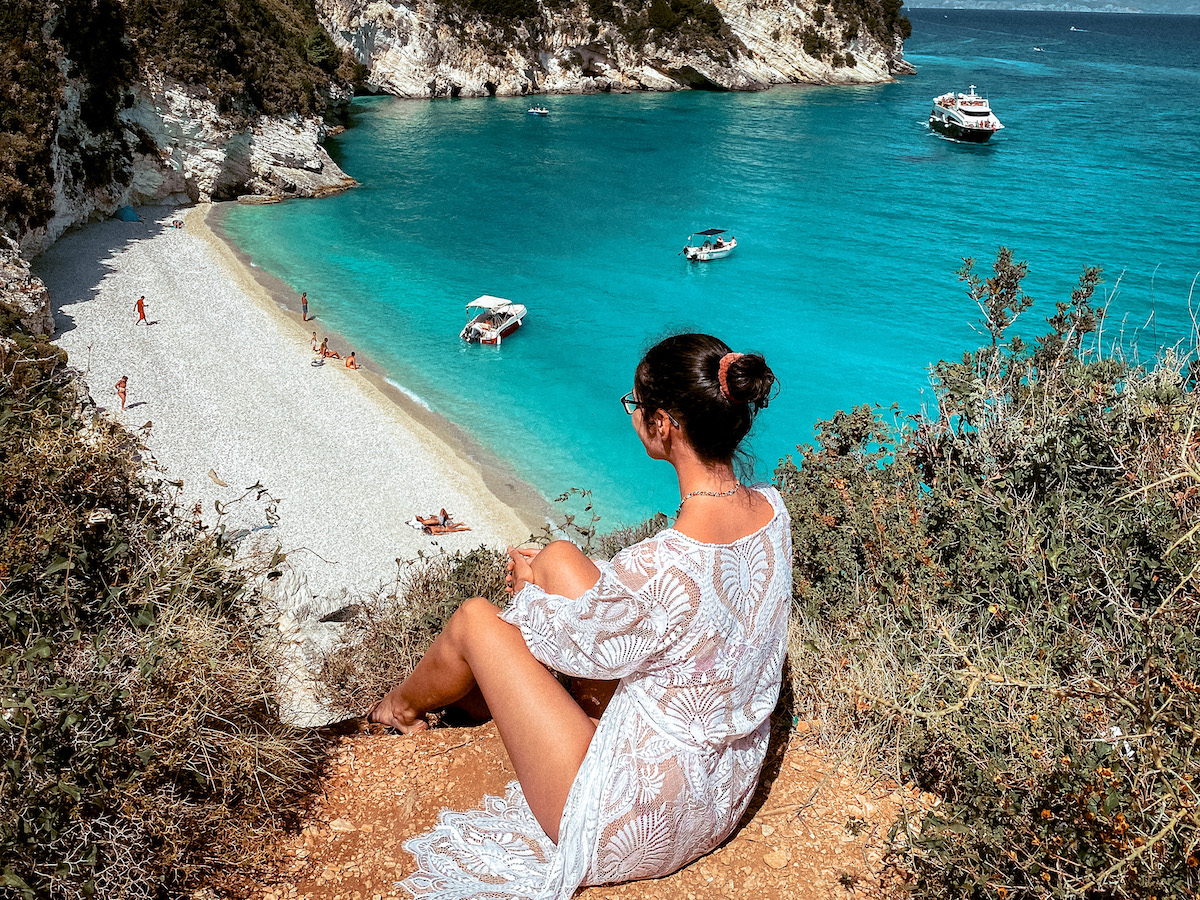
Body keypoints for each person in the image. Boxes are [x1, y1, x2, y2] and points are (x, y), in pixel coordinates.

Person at [369, 333, 788, 898]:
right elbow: (634, 618)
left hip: (640, 820)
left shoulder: (660, 562)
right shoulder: (772, 509)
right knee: (563, 558)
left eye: (635, 406)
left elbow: (572, 643)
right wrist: (548, 575)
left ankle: (395, 709)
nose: (633, 415)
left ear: (663, 424)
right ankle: (469, 689)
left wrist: (528, 592)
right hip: (722, 786)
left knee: (475, 618)